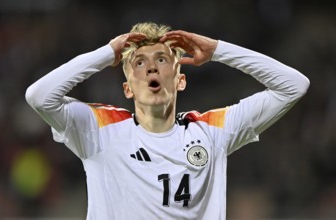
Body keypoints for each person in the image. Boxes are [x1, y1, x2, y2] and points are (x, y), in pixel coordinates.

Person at [25, 22, 309, 219]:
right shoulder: (99, 130)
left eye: (162, 60)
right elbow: (39, 96)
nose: (151, 66)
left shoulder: (211, 131)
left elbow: (293, 86)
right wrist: (106, 54)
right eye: (139, 62)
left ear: (180, 80)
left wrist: (218, 50)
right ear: (128, 88)